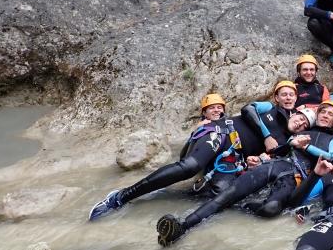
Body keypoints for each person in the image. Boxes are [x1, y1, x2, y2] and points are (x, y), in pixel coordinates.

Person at [155, 108, 317, 246]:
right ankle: (182, 227)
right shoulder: (281, 129)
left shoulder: (304, 139)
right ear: (294, 114)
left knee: (261, 205)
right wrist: (256, 158)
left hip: (284, 174)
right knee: (225, 195)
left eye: (305, 124)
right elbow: (250, 113)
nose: (301, 123)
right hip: (263, 166)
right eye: (301, 118)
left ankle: (241, 205)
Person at [88, 94, 244, 220]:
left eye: (219, 107)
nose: (216, 110)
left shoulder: (230, 124)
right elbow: (186, 157)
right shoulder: (203, 128)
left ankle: (165, 194)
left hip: (224, 167)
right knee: (189, 167)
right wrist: (196, 133)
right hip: (203, 164)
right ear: (204, 112)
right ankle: (120, 197)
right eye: (212, 108)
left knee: (218, 195)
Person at [240, 80, 300, 157]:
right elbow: (248, 109)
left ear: (295, 98)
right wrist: (267, 136)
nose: (288, 97)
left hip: (243, 154)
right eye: (284, 95)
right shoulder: (270, 107)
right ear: (277, 98)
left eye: (291, 95)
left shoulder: (296, 123)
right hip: (231, 133)